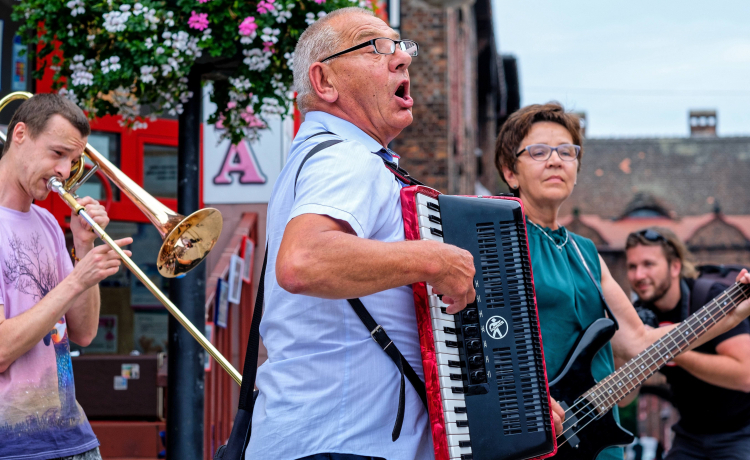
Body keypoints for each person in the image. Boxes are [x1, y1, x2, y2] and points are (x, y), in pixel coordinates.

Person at [246, 8, 563, 460]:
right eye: (375, 47)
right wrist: (432, 259)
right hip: (341, 445)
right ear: (324, 82)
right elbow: (303, 261)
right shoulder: (346, 157)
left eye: (401, 46)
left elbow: (414, 332)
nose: (401, 59)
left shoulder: (340, 158)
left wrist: (514, 403)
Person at [494, 102, 750, 460]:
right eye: (539, 152)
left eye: (567, 152)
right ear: (510, 172)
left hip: (591, 443)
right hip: (528, 440)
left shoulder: (585, 252)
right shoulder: (496, 235)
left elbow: (639, 342)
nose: (556, 161)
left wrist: (732, 313)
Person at [0, 94, 132, 460]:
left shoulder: (47, 223)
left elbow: (85, 332)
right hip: (13, 444)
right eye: (57, 153)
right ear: (20, 134)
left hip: (73, 437)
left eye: (73, 160)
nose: (65, 170)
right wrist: (76, 280)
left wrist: (83, 245)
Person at [626, 227, 750, 460]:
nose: (638, 275)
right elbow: (624, 400)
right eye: (632, 266)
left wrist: (665, 346)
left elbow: (746, 375)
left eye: (648, 264)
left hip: (740, 432)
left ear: (675, 266)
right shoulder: (640, 316)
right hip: (689, 434)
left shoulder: (709, 297)